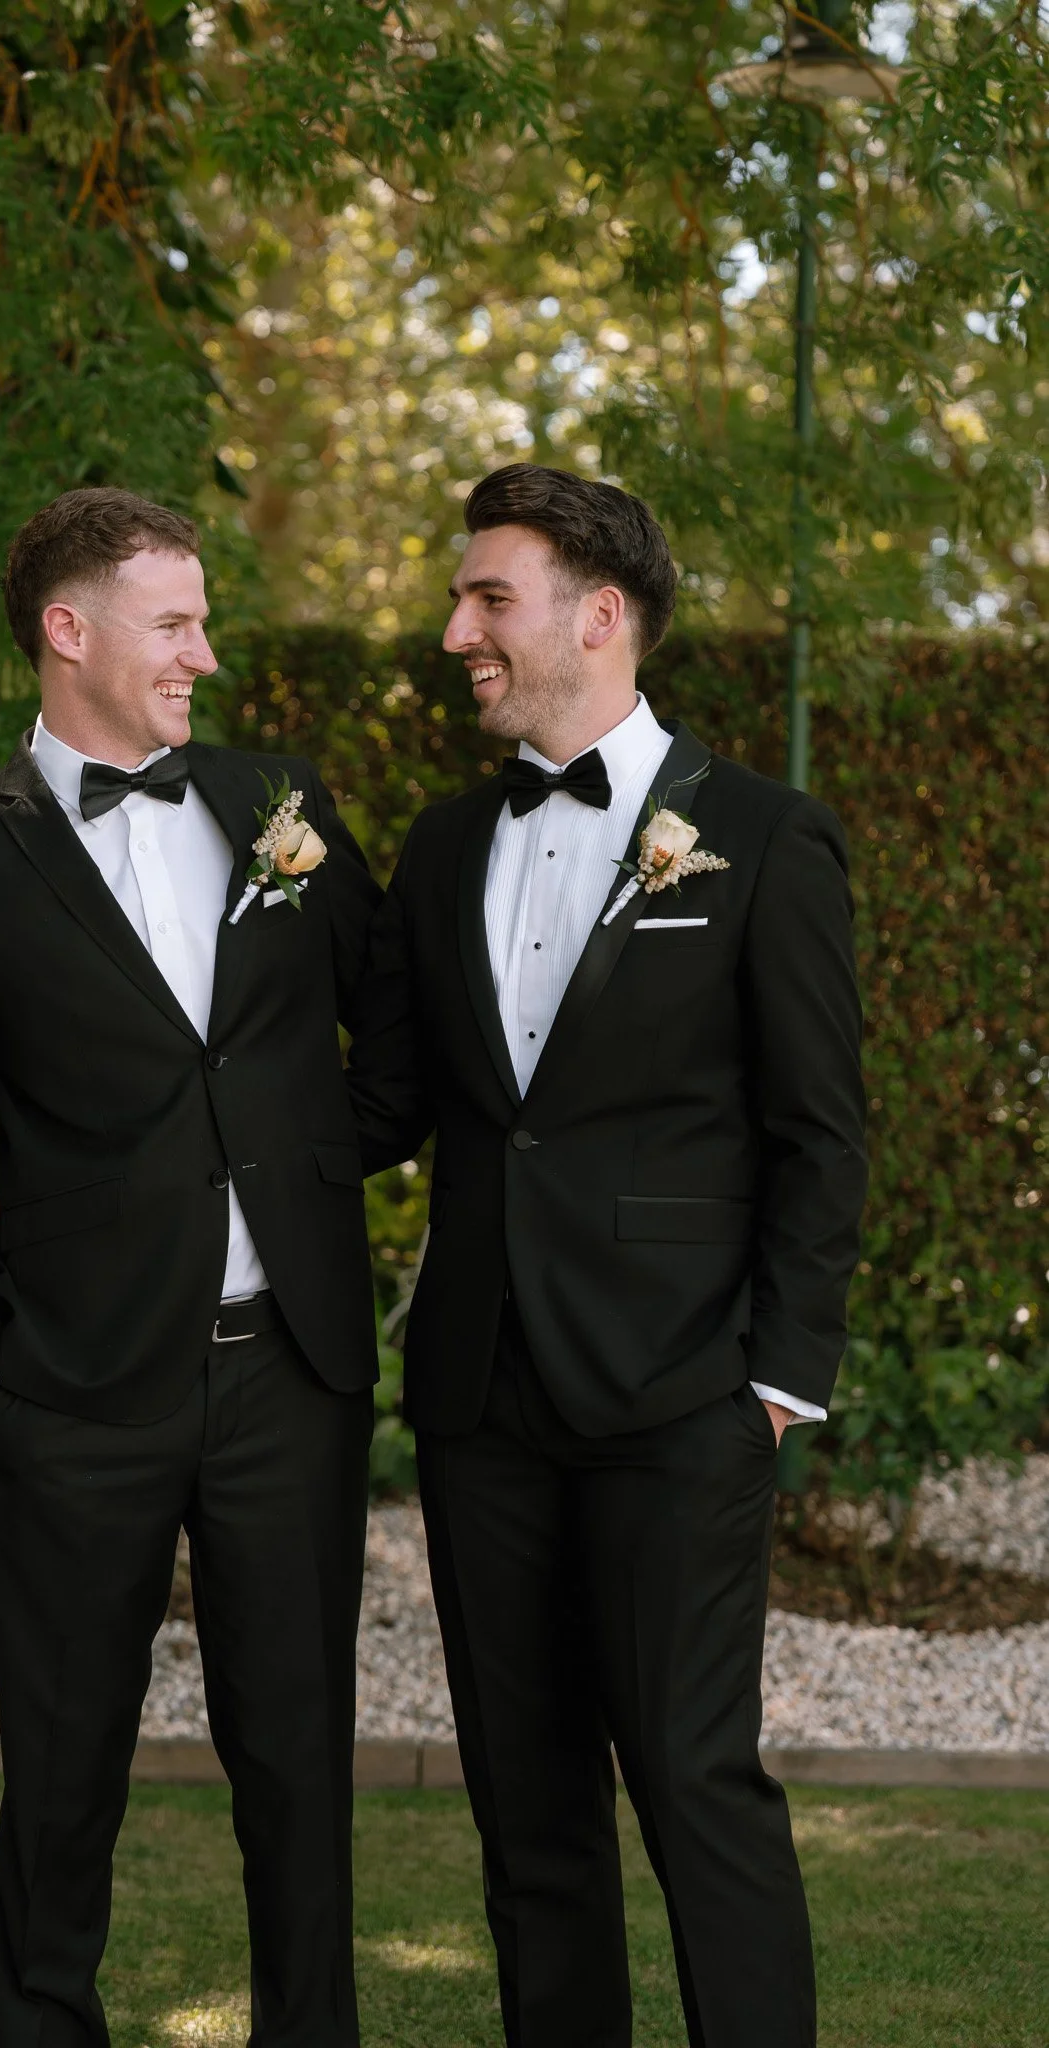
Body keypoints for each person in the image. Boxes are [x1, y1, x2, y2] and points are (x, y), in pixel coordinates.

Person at [347, 463, 867, 2048]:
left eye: (486, 598)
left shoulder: (765, 843)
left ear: (603, 614)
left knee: (697, 1787)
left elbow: (823, 1134)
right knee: (529, 1815)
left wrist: (774, 1385)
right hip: (482, 1400)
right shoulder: (442, 847)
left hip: (680, 1399)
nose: (456, 634)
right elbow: (393, 1105)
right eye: (460, 601)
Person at [0, 486, 381, 2048]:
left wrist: (312, 1172)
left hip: (287, 1373)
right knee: (65, 1766)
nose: (205, 657)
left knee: (298, 1765)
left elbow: (400, 1015)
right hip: (74, 1396)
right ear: (66, 633)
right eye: (176, 624)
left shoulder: (277, 802)